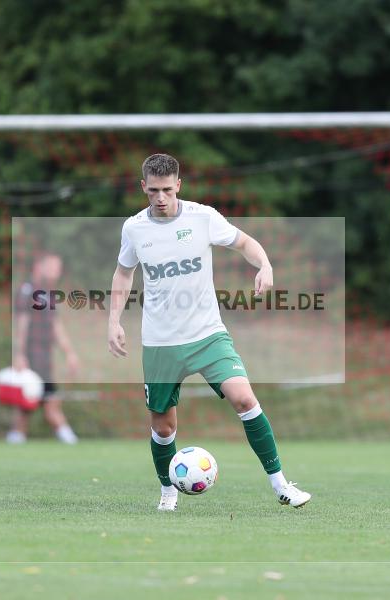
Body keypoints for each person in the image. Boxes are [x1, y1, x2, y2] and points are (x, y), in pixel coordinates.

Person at [108, 153, 312, 511]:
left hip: (208, 335)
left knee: (245, 400)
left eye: (167, 190)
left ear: (179, 186)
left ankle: (282, 486)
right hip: (161, 343)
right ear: (143, 187)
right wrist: (113, 320)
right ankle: (168, 492)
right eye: (153, 190)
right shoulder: (134, 228)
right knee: (164, 428)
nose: (160, 198)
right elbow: (124, 272)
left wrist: (264, 264)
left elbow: (245, 243)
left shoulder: (203, 217)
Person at [9, 253, 81, 445]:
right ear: (39, 266)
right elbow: (21, 326)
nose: (56, 272)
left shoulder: (48, 293)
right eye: (52, 267)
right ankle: (67, 437)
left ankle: (16, 437)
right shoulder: (27, 291)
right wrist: (19, 355)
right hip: (32, 355)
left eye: (58, 267)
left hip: (45, 356)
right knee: (42, 400)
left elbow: (56, 326)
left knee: (35, 400)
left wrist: (69, 353)